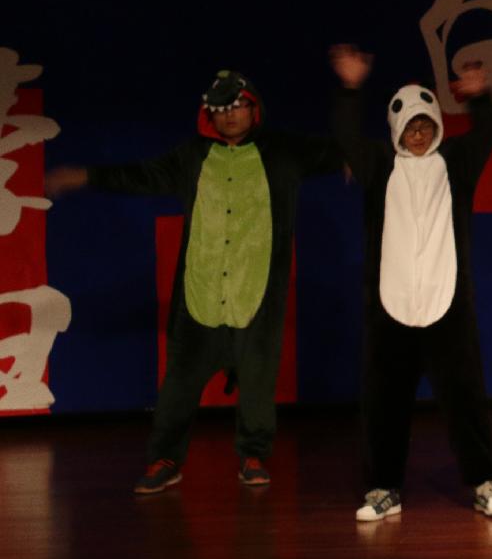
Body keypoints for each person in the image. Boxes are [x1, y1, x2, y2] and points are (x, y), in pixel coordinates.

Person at [45, 70, 344, 493]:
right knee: (179, 386)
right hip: (201, 293)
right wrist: (86, 176)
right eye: (220, 110)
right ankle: (165, 458)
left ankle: (253, 454)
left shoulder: (283, 151)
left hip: (255, 292)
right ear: (209, 116)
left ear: (253, 107)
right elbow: (141, 175)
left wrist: (352, 140)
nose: (230, 116)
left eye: (237, 106)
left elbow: (342, 149)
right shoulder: (193, 156)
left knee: (257, 382)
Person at [330, 45, 492, 521]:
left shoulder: (456, 162)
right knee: (383, 402)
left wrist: (480, 97)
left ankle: (484, 483)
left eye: (425, 126)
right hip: (389, 306)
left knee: (465, 397)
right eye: (410, 127)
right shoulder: (378, 165)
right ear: (396, 129)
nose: (418, 134)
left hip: (446, 302)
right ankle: (382, 488)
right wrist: (350, 89)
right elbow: (346, 137)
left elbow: (488, 133)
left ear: (436, 127)